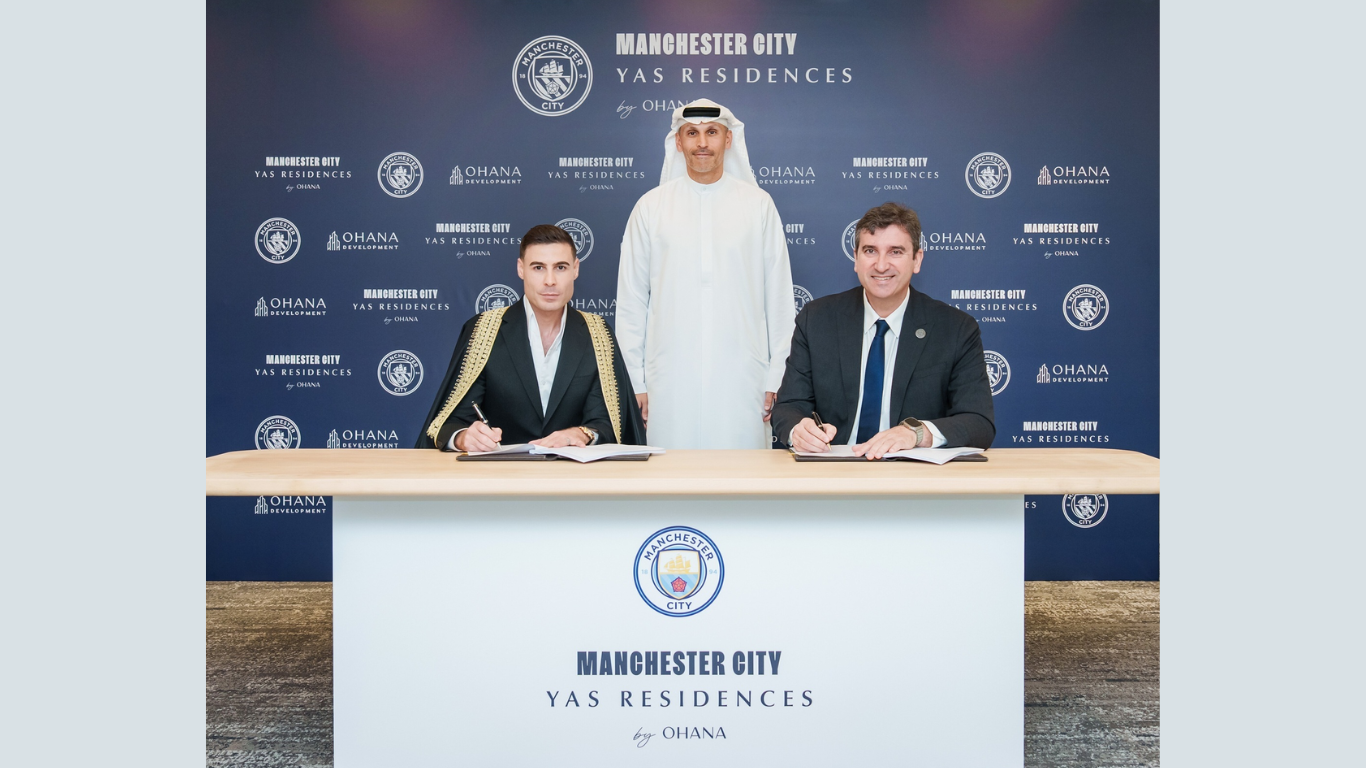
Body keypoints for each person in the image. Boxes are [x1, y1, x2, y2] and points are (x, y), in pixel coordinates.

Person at [615, 98, 795, 449]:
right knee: (668, 484)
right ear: (678, 141)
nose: (702, 143)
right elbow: (632, 303)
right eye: (692, 133)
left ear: (728, 140)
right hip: (667, 381)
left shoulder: (759, 205)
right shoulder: (650, 208)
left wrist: (777, 375)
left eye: (712, 133)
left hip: (745, 379)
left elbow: (779, 298)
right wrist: (635, 381)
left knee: (743, 483)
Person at [770, 203, 995, 459]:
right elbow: (789, 407)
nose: (880, 265)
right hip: (832, 474)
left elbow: (979, 422)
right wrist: (799, 430)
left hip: (914, 481)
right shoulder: (817, 320)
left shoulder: (955, 329)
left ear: (917, 259)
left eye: (895, 252)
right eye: (870, 251)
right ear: (856, 258)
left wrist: (917, 433)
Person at [416, 224, 645, 451]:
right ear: (521, 269)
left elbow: (609, 422)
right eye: (538, 267)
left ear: (576, 269)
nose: (550, 281)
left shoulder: (598, 333)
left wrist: (581, 433)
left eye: (561, 267)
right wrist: (464, 437)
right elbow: (451, 421)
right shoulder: (482, 330)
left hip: (574, 479)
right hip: (498, 479)